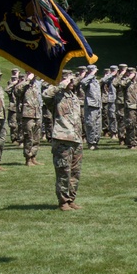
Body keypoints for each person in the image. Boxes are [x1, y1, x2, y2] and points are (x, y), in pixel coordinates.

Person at [43, 71, 84, 211]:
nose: (72, 82)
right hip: (62, 139)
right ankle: (63, 201)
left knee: (75, 172)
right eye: (69, 80)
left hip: (76, 139)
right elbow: (45, 95)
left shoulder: (73, 96)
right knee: (63, 171)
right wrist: (60, 85)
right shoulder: (56, 97)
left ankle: (71, 199)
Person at [19, 72, 44, 163]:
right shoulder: (24, 84)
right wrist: (27, 80)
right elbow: (17, 90)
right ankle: (28, 158)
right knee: (28, 136)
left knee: (36, 137)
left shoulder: (36, 85)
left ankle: (33, 156)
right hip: (28, 114)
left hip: (37, 113)